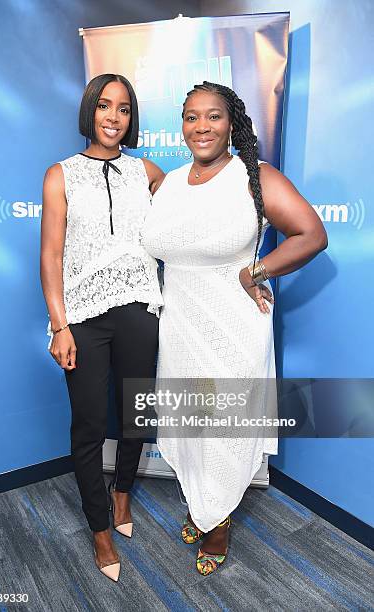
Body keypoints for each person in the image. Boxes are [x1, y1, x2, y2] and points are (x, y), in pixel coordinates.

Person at [141, 81, 327, 576]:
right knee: (187, 424)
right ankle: (202, 505)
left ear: (232, 123)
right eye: (191, 117)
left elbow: (312, 233)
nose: (201, 126)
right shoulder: (169, 183)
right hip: (179, 325)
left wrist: (256, 271)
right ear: (181, 124)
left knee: (221, 428)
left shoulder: (255, 177)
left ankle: (216, 520)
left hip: (231, 328)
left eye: (213, 116)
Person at [40, 73, 164, 582]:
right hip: (85, 318)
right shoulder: (60, 175)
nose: (114, 117)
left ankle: (122, 496)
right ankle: (99, 531)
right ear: (90, 110)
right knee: (90, 426)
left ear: (131, 119)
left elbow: (186, 223)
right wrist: (59, 325)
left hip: (139, 309)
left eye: (124, 109)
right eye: (105, 106)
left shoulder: (147, 172)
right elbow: (51, 255)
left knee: (135, 412)